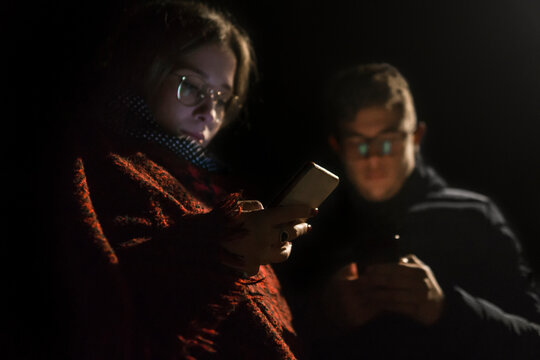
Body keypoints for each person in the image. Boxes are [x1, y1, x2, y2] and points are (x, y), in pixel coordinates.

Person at [51, 1, 317, 359]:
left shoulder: (212, 186)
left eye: (222, 98)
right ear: (143, 70)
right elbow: (102, 292)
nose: (209, 112)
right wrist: (225, 247)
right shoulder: (100, 162)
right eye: (191, 86)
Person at [275, 63, 540, 359]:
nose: (373, 159)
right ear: (337, 145)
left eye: (388, 142)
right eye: (359, 144)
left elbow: (533, 342)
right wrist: (325, 316)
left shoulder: (474, 218)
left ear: (415, 137)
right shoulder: (310, 226)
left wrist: (445, 308)